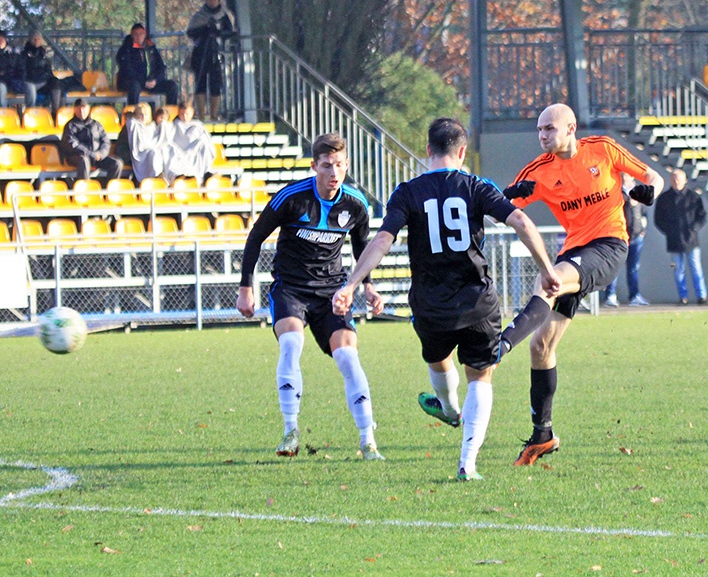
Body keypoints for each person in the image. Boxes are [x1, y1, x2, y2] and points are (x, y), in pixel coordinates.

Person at [332, 118, 560, 481]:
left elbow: (381, 241)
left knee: (439, 362)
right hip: (477, 301)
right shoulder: (475, 186)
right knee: (481, 377)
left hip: (429, 304)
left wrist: (351, 284)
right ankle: (467, 464)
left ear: (428, 150)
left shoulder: (406, 191)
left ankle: (451, 411)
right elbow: (520, 220)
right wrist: (547, 268)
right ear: (463, 151)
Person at [492, 103, 663, 466]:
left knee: (548, 281)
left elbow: (653, 177)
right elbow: (501, 204)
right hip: (573, 251)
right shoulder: (539, 171)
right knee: (541, 346)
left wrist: (652, 193)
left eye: (549, 129)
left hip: (610, 245)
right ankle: (543, 435)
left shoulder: (602, 148)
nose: (542, 136)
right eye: (539, 130)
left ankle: (501, 343)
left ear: (570, 128)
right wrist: (502, 196)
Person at [237, 132, 386, 462]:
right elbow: (256, 237)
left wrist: (368, 286)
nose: (334, 173)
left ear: (346, 166)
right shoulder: (291, 198)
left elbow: (362, 248)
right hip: (291, 288)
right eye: (327, 166)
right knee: (292, 344)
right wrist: (246, 287)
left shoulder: (355, 204)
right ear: (314, 166)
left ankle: (368, 441)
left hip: (332, 292)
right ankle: (290, 431)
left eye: (340, 165)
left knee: (348, 357)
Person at [653, 169, 708, 305]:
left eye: (678, 179)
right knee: (677, 270)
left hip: (691, 240)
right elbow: (658, 219)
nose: (676, 182)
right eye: (673, 179)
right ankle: (683, 297)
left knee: (696, 268)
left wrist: (694, 229)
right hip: (673, 241)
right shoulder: (664, 198)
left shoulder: (693, 197)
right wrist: (669, 231)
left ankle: (702, 297)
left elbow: (702, 216)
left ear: (685, 180)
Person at [187, 0, 236, 121]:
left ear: (219, 0)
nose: (212, 1)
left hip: (216, 54)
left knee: (215, 85)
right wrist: (204, 30)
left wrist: (217, 33)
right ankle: (201, 115)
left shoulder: (224, 15)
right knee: (200, 84)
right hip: (200, 54)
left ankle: (214, 115)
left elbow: (230, 32)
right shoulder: (199, 16)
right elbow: (190, 32)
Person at [604, 176, 650, 307]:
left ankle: (634, 296)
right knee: (614, 268)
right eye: (623, 177)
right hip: (620, 238)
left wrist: (643, 231)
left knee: (633, 268)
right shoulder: (616, 193)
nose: (625, 179)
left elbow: (644, 213)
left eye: (627, 177)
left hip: (636, 238)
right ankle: (610, 295)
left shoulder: (638, 193)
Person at [60, 98, 123, 185]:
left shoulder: (96, 124)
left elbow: (106, 142)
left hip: (97, 156)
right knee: (84, 161)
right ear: (74, 109)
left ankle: (108, 192)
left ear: (88, 109)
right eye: (79, 108)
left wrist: (101, 154)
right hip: (77, 156)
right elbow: (73, 144)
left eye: (83, 107)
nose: (81, 110)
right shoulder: (70, 126)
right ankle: (85, 192)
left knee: (117, 163)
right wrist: (91, 154)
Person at [115, 23, 179, 106]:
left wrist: (156, 80)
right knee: (135, 86)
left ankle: (171, 113)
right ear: (131, 35)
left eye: (141, 34)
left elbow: (161, 67)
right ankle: (134, 113)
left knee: (172, 86)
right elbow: (126, 70)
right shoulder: (126, 49)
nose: (139, 36)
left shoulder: (151, 48)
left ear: (145, 34)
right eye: (135, 34)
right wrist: (143, 82)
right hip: (132, 82)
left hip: (151, 82)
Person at [170, 101, 215, 179]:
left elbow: (206, 140)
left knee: (204, 142)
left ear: (192, 113)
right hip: (179, 154)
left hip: (196, 154)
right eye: (182, 114)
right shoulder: (173, 126)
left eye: (187, 114)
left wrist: (194, 148)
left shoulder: (198, 126)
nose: (184, 116)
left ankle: (206, 173)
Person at [22, 30, 61, 110]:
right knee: (30, 89)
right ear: (30, 40)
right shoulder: (24, 54)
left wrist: (45, 76)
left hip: (43, 81)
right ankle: (30, 112)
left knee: (56, 84)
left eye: (39, 39)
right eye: (34, 39)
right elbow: (24, 70)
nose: (36, 41)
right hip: (30, 81)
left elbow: (48, 70)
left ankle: (55, 112)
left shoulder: (44, 54)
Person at [0, 30, 24, 108]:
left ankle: (3, 113)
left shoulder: (13, 53)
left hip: (11, 82)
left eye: (1, 39)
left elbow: (20, 69)